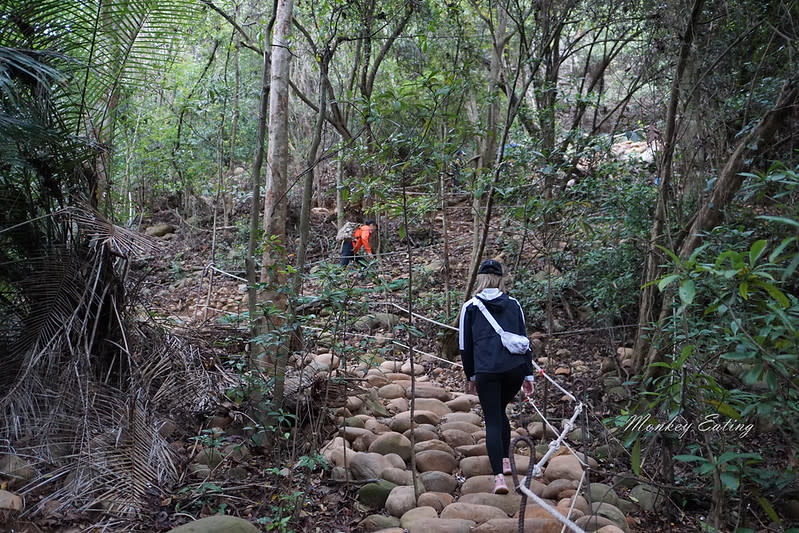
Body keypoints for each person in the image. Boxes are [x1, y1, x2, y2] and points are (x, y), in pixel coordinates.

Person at [459, 259, 535, 494]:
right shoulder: (514, 304)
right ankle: (503, 460)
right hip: (514, 369)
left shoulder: (470, 306)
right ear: (500, 278)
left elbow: (465, 346)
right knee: (500, 412)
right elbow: (523, 339)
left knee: (492, 419)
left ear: (480, 278)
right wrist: (528, 375)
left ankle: (499, 479)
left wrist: (470, 375)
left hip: (487, 371)